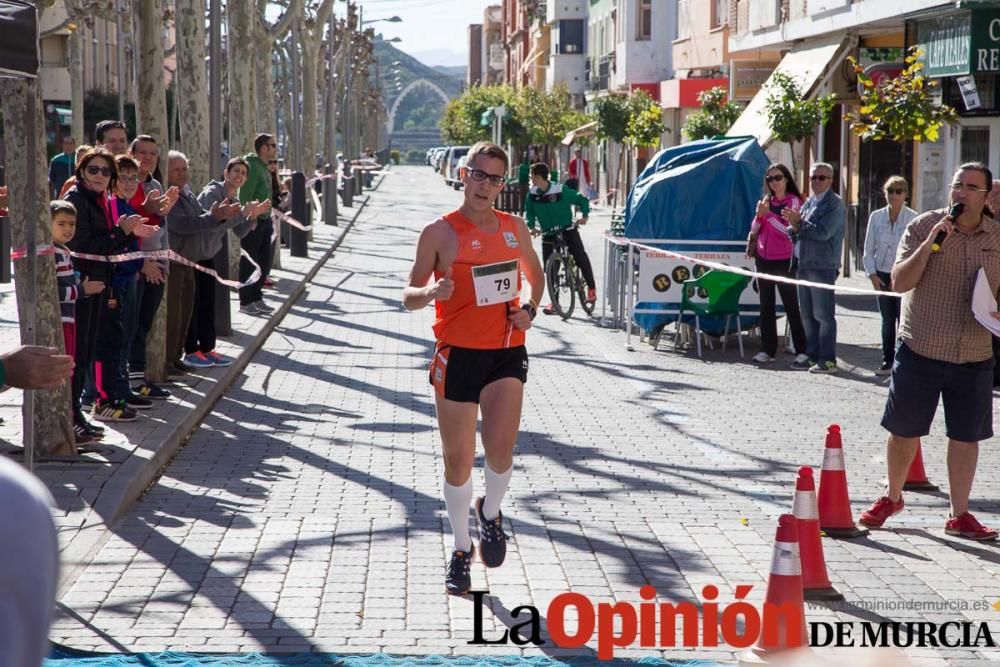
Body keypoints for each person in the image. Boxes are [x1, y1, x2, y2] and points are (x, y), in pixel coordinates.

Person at [402, 141, 544, 595]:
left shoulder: (513, 228)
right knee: (458, 463)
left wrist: (531, 309)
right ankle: (461, 548)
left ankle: (490, 513)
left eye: (495, 178)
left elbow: (534, 276)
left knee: (501, 453)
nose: (485, 185)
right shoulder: (439, 232)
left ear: (504, 184)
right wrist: (430, 295)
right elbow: (408, 293)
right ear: (463, 175)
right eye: (478, 175)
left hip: (505, 350)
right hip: (457, 355)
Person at [858, 162, 1000, 541]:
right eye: (958, 186)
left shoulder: (997, 237)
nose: (962, 194)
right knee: (903, 431)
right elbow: (900, 281)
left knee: (966, 436)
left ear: (987, 196)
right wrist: (931, 243)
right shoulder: (925, 226)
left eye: (972, 188)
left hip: (972, 352)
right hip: (921, 346)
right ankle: (892, 496)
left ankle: (960, 513)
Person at [65, 147, 155, 423]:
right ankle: (78, 412)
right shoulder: (77, 200)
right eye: (93, 169)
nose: (100, 175)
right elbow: (83, 245)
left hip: (105, 283)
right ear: (81, 171)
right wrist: (121, 232)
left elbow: (109, 244)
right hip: (84, 285)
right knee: (81, 352)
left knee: (105, 343)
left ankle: (104, 402)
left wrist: (128, 235)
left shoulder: (101, 200)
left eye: (106, 171)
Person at [164, 151, 242, 371]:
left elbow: (209, 224)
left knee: (194, 309)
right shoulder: (171, 195)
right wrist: (216, 217)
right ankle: (179, 355)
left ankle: (185, 355)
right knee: (180, 313)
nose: (182, 173)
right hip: (179, 261)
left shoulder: (186, 193)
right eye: (176, 169)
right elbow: (183, 225)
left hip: (195, 259)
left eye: (184, 168)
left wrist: (234, 216)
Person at [192, 158, 266, 364]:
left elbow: (239, 232)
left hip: (210, 254)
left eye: (243, 173)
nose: (239, 176)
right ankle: (193, 351)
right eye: (236, 171)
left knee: (209, 303)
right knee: (196, 304)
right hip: (195, 254)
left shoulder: (234, 199)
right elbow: (209, 224)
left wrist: (252, 216)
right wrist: (240, 214)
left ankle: (208, 349)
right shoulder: (212, 194)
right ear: (226, 172)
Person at [50, 200, 106, 443]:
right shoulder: (53, 253)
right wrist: (82, 290)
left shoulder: (64, 251)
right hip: (61, 321)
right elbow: (51, 292)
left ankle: (72, 418)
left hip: (69, 319)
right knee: (63, 374)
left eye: (72, 224)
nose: (68, 229)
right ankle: (66, 422)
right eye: (61, 223)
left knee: (70, 371)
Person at [783, 162, 846, 374]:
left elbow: (824, 233)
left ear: (830, 180)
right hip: (804, 264)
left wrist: (798, 224)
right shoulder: (809, 202)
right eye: (813, 177)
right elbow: (796, 230)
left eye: (821, 178)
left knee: (823, 315)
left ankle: (827, 360)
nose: (816, 181)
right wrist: (792, 226)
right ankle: (812, 355)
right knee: (807, 315)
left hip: (822, 266)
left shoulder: (835, 204)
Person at [127, 134, 177, 397]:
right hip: (134, 266)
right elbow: (124, 229)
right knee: (131, 324)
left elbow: (162, 227)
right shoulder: (125, 185)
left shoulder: (157, 185)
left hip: (158, 264)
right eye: (142, 152)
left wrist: (164, 262)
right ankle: (131, 381)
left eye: (152, 153)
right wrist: (141, 262)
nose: (146, 158)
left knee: (144, 323)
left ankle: (139, 378)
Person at [746, 163, 807, 364]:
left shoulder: (794, 202)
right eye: (770, 179)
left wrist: (767, 215)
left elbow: (787, 232)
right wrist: (759, 216)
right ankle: (767, 350)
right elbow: (754, 229)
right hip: (763, 259)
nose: (774, 182)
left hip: (784, 260)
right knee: (766, 306)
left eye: (778, 178)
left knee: (791, 306)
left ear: (787, 179)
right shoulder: (766, 201)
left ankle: (802, 350)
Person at [863, 175, 917, 376]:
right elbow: (868, 249)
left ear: (906, 195)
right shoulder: (876, 217)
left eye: (899, 191)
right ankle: (887, 360)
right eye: (890, 191)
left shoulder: (913, 217)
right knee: (887, 320)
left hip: (902, 275)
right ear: (884, 193)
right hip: (882, 274)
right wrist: (872, 274)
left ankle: (903, 362)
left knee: (903, 320)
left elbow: (916, 250)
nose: (894, 195)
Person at [523, 162, 597, 310]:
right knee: (550, 269)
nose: (530, 178)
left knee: (580, 256)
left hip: (567, 229)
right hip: (548, 232)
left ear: (538, 177)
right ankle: (555, 303)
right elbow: (529, 212)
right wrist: (531, 227)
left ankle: (591, 288)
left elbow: (581, 200)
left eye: (532, 176)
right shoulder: (532, 194)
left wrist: (585, 215)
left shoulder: (559, 190)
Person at [239, 134, 278, 315]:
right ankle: (246, 301)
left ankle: (256, 296)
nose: (275, 148)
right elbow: (246, 194)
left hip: (266, 221)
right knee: (250, 262)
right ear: (263, 148)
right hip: (254, 222)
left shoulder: (264, 167)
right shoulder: (252, 166)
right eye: (272, 145)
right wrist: (251, 217)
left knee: (264, 262)